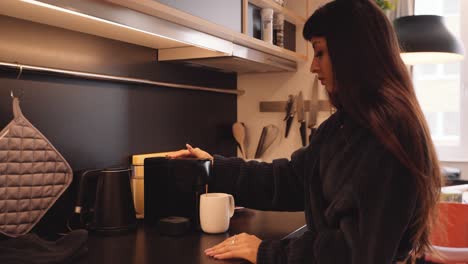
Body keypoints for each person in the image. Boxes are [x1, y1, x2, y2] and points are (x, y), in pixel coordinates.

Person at [169, 0, 442, 263]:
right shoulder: (343, 127)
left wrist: (267, 252)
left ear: (352, 53)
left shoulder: (388, 137)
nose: (313, 66)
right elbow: (291, 180)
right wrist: (214, 168)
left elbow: (355, 252)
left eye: (320, 52)